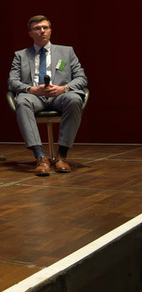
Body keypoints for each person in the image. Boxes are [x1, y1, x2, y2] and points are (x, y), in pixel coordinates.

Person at [8, 15, 87, 176]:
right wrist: (32, 89)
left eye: (45, 27)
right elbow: (12, 82)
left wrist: (63, 88)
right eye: (37, 28)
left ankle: (62, 155)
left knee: (74, 99)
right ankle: (40, 157)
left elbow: (81, 78)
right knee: (22, 101)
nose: (42, 31)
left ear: (50, 31)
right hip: (35, 97)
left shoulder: (67, 52)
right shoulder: (21, 55)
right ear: (30, 33)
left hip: (60, 95)